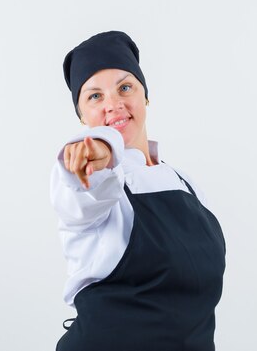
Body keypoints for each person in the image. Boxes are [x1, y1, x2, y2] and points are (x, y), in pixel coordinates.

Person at [50, 30, 226, 351]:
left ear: (146, 95)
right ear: (81, 116)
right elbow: (85, 187)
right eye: (94, 96)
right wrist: (101, 153)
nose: (114, 105)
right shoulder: (89, 176)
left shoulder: (186, 185)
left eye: (125, 87)